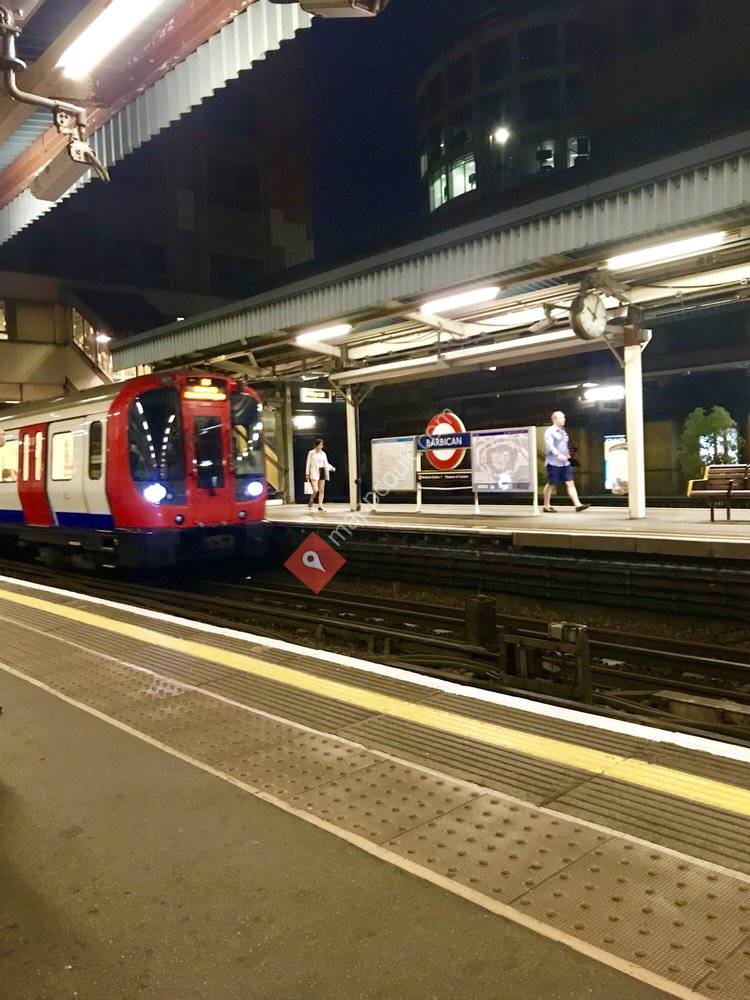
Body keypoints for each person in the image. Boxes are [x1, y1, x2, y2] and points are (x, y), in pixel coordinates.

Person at [543, 411, 589, 513]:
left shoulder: (563, 432)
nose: (564, 419)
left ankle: (578, 505)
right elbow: (549, 446)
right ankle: (546, 505)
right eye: (561, 418)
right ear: (555, 419)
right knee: (551, 483)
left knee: (570, 482)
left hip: (565, 462)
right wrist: (557, 454)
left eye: (564, 417)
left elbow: (565, 446)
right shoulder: (549, 431)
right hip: (553, 462)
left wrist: (570, 458)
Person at [305, 438, 335, 512]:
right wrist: (307, 473)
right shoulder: (311, 453)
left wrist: (331, 468)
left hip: (322, 471)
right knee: (315, 490)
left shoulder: (323, 454)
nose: (320, 446)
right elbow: (308, 463)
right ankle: (311, 501)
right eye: (319, 445)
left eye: (321, 445)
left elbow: (326, 463)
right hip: (314, 471)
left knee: (321, 490)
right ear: (316, 445)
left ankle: (320, 506)